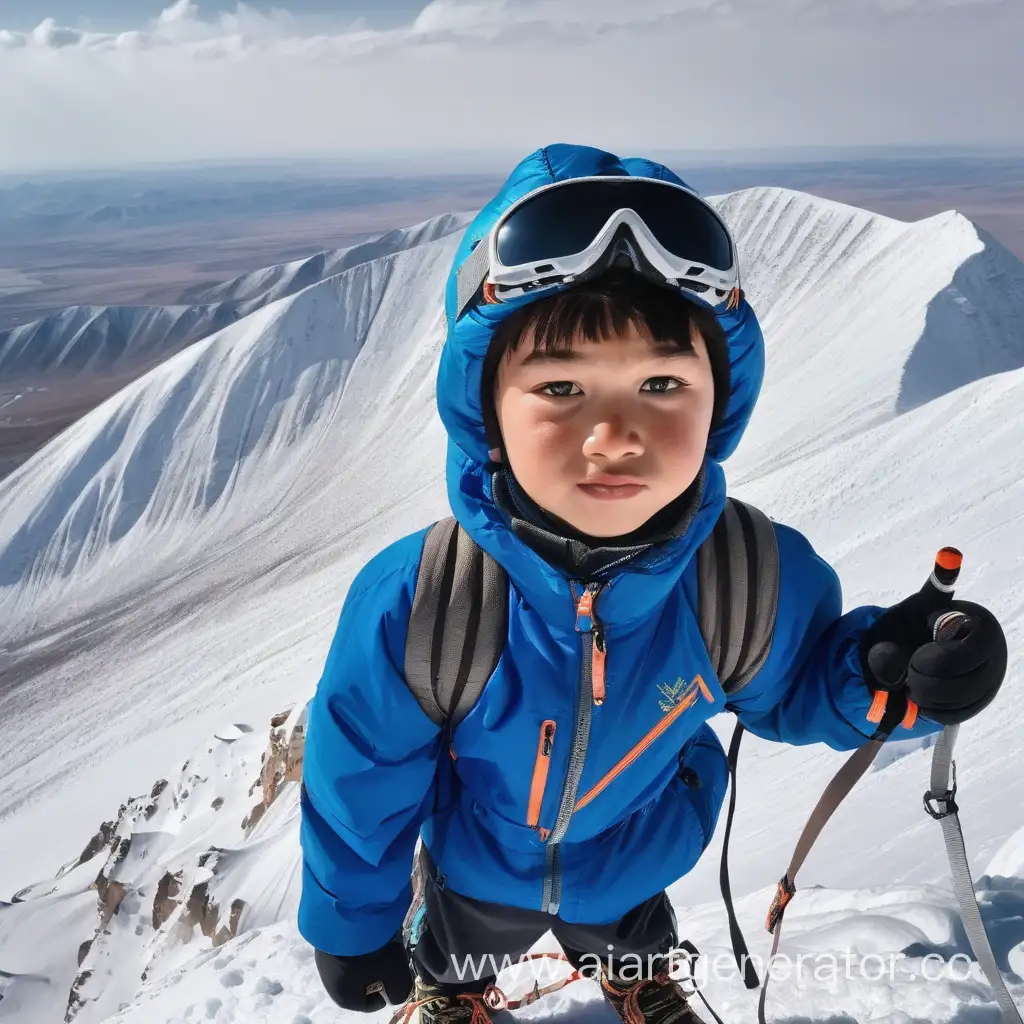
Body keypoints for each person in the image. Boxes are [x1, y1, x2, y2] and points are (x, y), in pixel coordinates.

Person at [297, 144, 1007, 1024]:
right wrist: (354, 928)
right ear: (484, 410)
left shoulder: (744, 577)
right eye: (560, 386)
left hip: (637, 849)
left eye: (662, 383)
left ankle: (639, 976)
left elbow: (799, 684)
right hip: (481, 862)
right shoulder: (428, 600)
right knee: (460, 946)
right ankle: (456, 990)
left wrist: (888, 675)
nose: (614, 435)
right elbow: (359, 774)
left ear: (720, 405)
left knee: (631, 930)